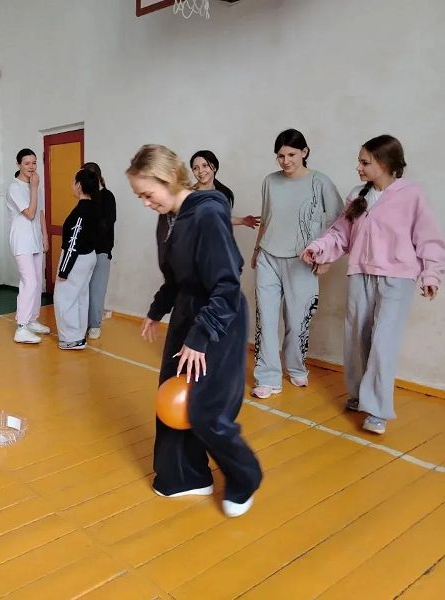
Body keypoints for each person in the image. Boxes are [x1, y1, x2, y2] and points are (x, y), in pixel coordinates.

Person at [131, 144, 262, 518]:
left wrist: (201, 337)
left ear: (169, 179)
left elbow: (226, 284)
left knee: (205, 408)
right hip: (188, 314)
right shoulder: (174, 218)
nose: (146, 203)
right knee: (172, 397)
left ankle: (245, 477)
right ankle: (185, 476)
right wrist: (157, 311)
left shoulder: (208, 213)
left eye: (148, 194)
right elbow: (176, 278)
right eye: (140, 197)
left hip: (218, 319)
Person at [302, 135, 445, 434]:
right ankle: (359, 396)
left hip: (397, 278)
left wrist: (431, 273)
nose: (359, 167)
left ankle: (377, 410)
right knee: (356, 338)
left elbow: (428, 237)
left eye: (365, 162)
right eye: (359, 161)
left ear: (385, 163)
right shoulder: (358, 195)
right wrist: (319, 248)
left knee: (383, 343)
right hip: (360, 274)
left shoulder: (411, 194)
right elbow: (340, 233)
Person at [250, 129, 344, 399]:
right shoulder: (270, 181)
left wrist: (327, 257)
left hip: (302, 261)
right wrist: (257, 250)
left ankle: (295, 366)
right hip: (268, 257)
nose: (286, 161)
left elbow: (339, 223)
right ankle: (267, 377)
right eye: (280, 156)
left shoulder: (320, 182)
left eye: (291, 154)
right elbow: (266, 218)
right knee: (266, 319)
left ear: (304, 152)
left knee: (297, 319)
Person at [6, 148, 50, 344]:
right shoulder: (14, 188)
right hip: (21, 241)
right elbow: (30, 214)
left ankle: (32, 319)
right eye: (27, 163)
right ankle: (21, 326)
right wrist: (34, 187)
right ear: (18, 165)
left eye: (34, 163)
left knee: (37, 281)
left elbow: (40, 213)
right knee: (29, 282)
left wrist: (45, 236)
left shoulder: (35, 187)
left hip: (35, 239)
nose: (31, 167)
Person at [54, 168, 100, 350]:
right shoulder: (95, 208)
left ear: (79, 185)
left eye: (74, 181)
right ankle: (78, 336)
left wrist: (64, 270)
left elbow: (73, 241)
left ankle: (71, 338)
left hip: (77, 258)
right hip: (89, 256)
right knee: (80, 296)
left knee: (64, 297)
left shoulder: (82, 211)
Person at [81, 162, 116, 341]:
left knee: (97, 289)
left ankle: (95, 325)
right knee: (84, 289)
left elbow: (107, 223)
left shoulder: (107, 196)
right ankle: (84, 323)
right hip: (86, 251)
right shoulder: (87, 198)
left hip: (101, 250)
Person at [190, 150, 260, 229]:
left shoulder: (222, 193)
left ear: (214, 167)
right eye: (195, 168)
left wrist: (242, 221)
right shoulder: (189, 195)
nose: (200, 171)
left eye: (205, 165)